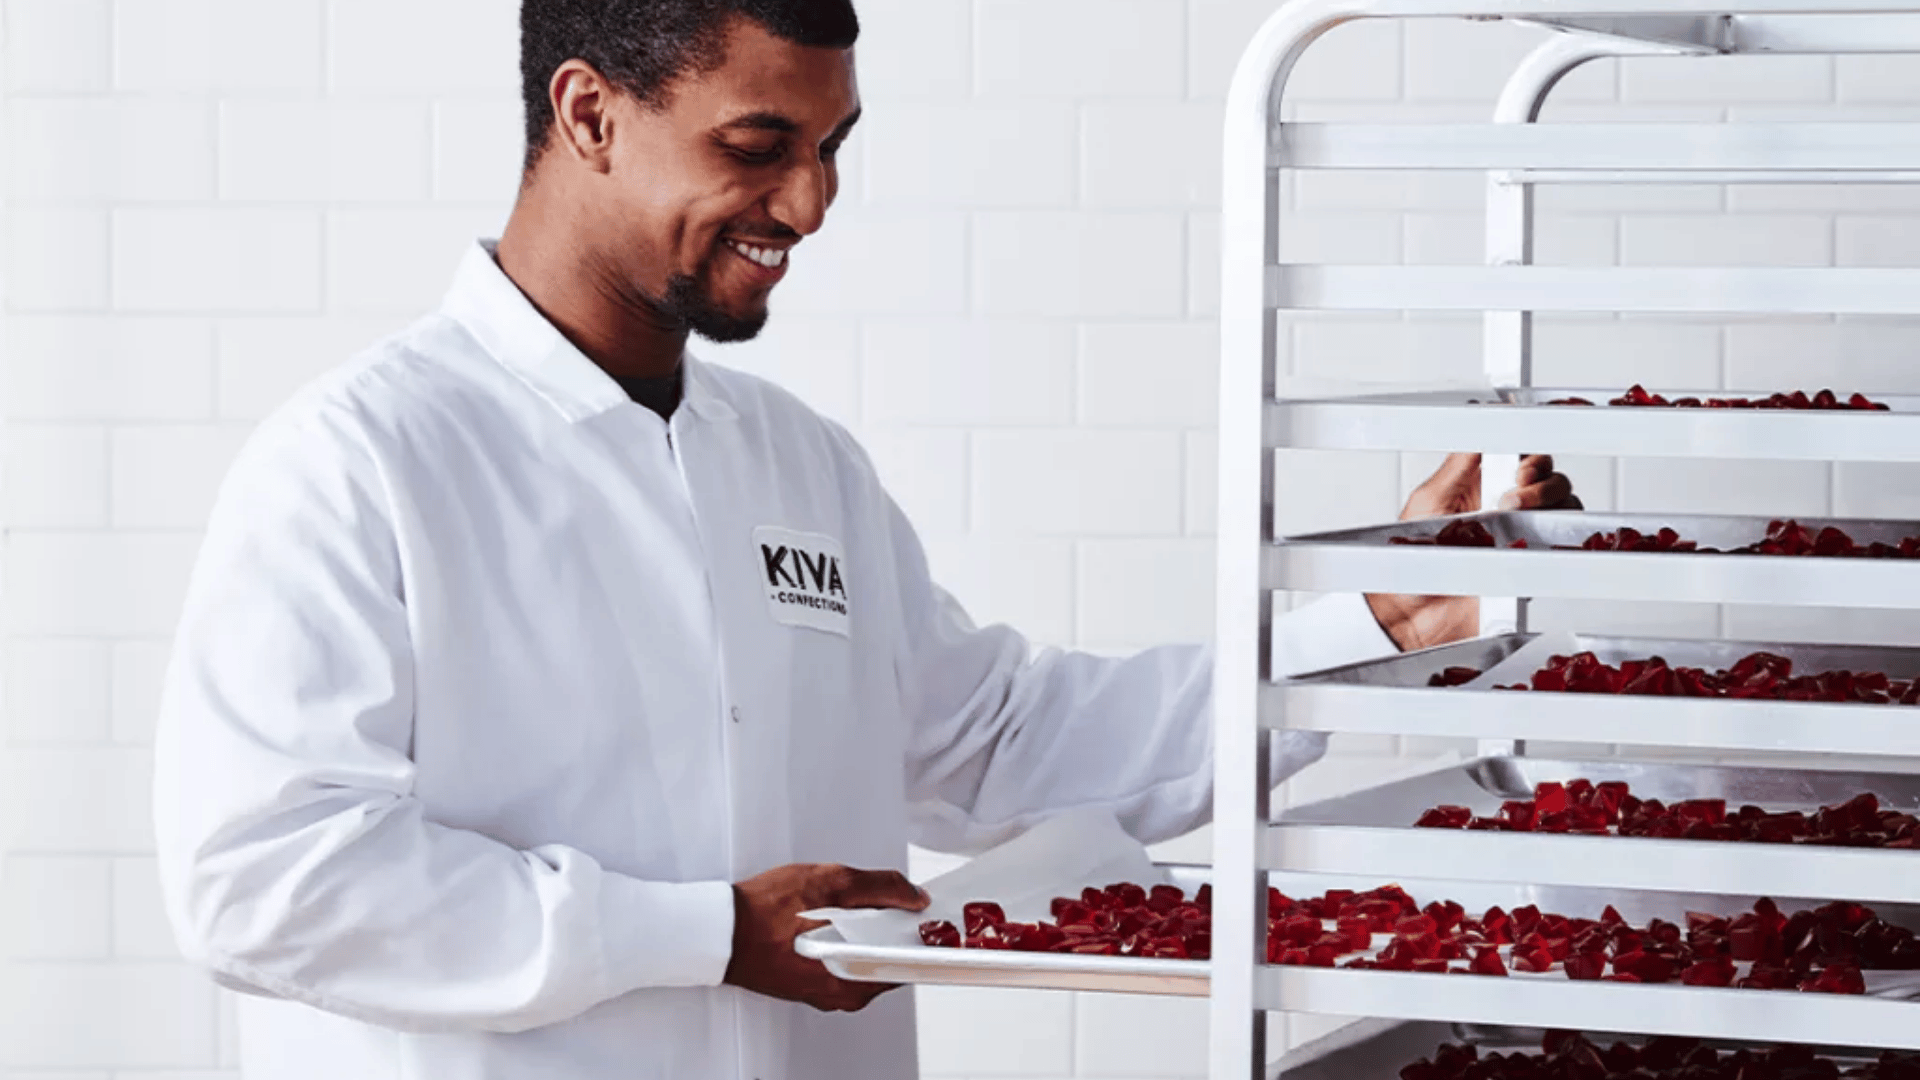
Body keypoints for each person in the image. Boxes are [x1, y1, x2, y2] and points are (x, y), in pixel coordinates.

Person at [151, 2, 1579, 1078]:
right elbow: (262, 881)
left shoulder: (796, 462)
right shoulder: (359, 461)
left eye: (831, 149)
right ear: (588, 114)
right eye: (759, 147)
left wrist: (1376, 623)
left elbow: (994, 740)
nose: (811, 205)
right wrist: (702, 933)